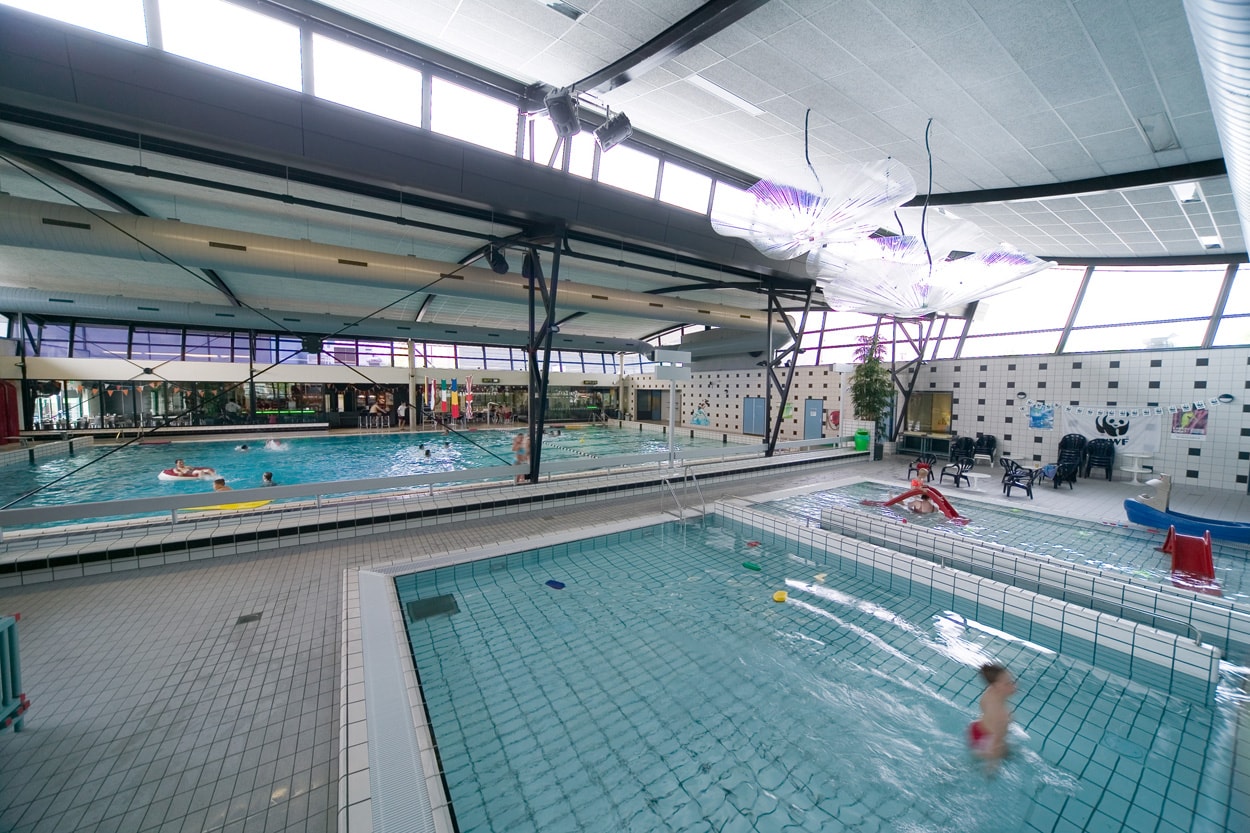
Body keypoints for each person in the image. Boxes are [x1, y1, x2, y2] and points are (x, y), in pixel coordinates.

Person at [970, 663, 1016, 772]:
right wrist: (993, 765)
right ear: (996, 686)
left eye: (1012, 681)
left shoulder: (990, 692)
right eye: (1007, 683)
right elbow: (996, 744)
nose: (1014, 685)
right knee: (1009, 756)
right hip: (988, 741)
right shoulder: (1002, 716)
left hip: (977, 728)